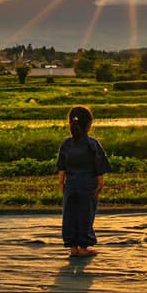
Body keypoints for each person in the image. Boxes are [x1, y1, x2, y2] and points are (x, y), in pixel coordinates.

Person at [57, 106, 111, 257]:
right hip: (87, 185)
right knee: (85, 215)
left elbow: (62, 168)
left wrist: (62, 185)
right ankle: (83, 246)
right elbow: (99, 167)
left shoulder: (66, 144)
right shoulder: (92, 144)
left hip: (71, 185)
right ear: (89, 125)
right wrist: (100, 185)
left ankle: (72, 246)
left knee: (70, 214)